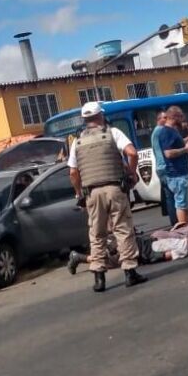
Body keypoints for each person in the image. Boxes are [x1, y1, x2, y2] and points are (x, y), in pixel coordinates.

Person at [68, 101, 147, 292]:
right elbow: (132, 153)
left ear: (85, 120)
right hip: (115, 188)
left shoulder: (77, 142)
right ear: (100, 116)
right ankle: (130, 273)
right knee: (123, 230)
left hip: (92, 193)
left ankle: (99, 278)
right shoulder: (113, 132)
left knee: (97, 234)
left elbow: (73, 172)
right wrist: (131, 173)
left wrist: (79, 192)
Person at [67, 220, 188, 274]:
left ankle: (78, 257)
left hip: (138, 243)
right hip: (138, 251)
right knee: (105, 262)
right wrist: (151, 259)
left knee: (108, 259)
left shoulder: (180, 241)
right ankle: (78, 257)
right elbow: (163, 255)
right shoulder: (183, 247)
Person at [155, 106, 188, 225]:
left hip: (181, 173)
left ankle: (187, 228)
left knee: (185, 204)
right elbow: (168, 153)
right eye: (181, 116)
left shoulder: (172, 131)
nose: (182, 119)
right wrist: (185, 149)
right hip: (177, 174)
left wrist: (185, 144)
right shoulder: (166, 132)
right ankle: (184, 230)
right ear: (175, 116)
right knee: (181, 204)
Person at [151, 111, 178, 226]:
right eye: (164, 118)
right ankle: (176, 222)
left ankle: (175, 222)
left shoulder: (155, 132)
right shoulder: (161, 131)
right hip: (165, 166)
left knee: (170, 196)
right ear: (159, 119)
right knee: (173, 196)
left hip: (160, 167)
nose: (167, 119)